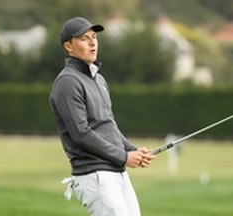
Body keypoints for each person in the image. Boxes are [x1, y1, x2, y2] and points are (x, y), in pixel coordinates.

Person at [49, 17, 155, 216]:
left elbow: (108, 126)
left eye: (94, 37)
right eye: (83, 38)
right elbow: (81, 134)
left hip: (116, 172)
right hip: (94, 174)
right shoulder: (67, 82)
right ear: (68, 47)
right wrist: (124, 157)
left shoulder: (99, 79)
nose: (92, 42)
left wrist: (133, 151)